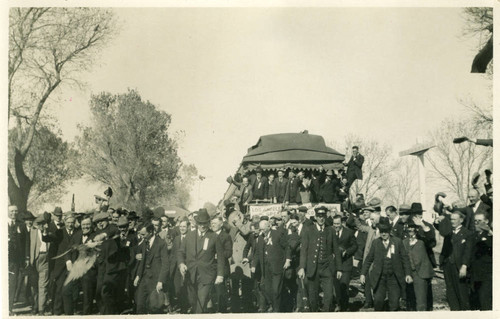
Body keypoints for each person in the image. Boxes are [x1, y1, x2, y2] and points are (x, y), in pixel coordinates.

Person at [177, 208, 225, 314]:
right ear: (196, 223)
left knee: (201, 303)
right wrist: (181, 264)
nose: (202, 226)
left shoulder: (214, 237)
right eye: (200, 223)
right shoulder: (189, 235)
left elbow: (221, 258)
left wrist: (220, 274)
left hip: (207, 275)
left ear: (208, 223)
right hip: (190, 274)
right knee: (193, 302)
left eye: (205, 223)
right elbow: (180, 252)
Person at [360, 218, 412, 311]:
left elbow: (405, 259)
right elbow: (368, 259)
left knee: (394, 303)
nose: (383, 234)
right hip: (380, 278)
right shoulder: (376, 243)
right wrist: (363, 274)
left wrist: (408, 274)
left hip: (394, 278)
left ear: (389, 231)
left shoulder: (397, 242)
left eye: (386, 231)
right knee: (378, 302)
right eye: (381, 231)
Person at [298, 206, 342, 312]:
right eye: (319, 216)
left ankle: (326, 313)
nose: (321, 219)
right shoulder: (308, 230)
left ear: (325, 217)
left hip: (327, 268)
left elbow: (336, 250)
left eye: (323, 216)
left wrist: (339, 268)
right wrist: (302, 267)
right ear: (316, 217)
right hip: (313, 268)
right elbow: (304, 250)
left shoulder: (330, 230)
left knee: (329, 296)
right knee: (313, 298)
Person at [434, 210, 473, 310]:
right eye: (451, 219)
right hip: (448, 266)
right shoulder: (448, 232)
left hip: (459, 267)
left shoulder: (467, 233)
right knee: (451, 293)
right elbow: (440, 228)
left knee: (462, 293)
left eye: (454, 219)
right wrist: (437, 221)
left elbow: (467, 252)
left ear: (461, 220)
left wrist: (464, 266)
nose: (452, 221)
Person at [253, 218, 290, 312]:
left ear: (269, 226)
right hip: (266, 268)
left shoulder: (277, 234)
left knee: (276, 290)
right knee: (266, 288)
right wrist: (253, 265)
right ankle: (274, 305)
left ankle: (276, 310)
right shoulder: (260, 238)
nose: (261, 231)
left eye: (263, 229)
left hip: (277, 267)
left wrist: (287, 260)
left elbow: (287, 247)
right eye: (260, 229)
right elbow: (257, 253)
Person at [134, 222, 169, 314]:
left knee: (154, 307)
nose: (142, 236)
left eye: (143, 234)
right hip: (144, 279)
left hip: (155, 280)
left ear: (151, 232)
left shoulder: (161, 244)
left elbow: (165, 264)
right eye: (140, 234)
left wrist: (160, 281)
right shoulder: (145, 242)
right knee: (140, 305)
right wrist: (138, 276)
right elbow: (143, 261)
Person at [403, 221, 435, 311]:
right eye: (409, 229)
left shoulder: (422, 241)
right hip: (409, 273)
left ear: (417, 230)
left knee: (421, 301)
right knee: (410, 301)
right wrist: (407, 273)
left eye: (413, 229)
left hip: (421, 273)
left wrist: (423, 226)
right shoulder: (404, 242)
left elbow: (431, 241)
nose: (411, 231)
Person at [332, 214, 357, 312]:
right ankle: (338, 304)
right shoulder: (330, 231)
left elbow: (355, 246)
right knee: (336, 286)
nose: (336, 226)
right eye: (334, 224)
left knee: (344, 285)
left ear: (342, 223)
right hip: (334, 264)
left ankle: (345, 307)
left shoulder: (349, 233)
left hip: (345, 264)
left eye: (338, 224)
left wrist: (347, 252)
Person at [470, 212, 492, 310]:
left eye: (479, 221)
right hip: (475, 273)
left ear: (486, 221)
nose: (476, 223)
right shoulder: (473, 235)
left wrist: (490, 232)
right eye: (475, 221)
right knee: (476, 301)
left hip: (486, 273)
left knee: (484, 300)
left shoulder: (490, 234)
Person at [210, 216, 233, 313]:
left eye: (215, 223)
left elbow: (228, 253)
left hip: (222, 267)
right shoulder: (209, 235)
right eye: (212, 223)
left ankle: (222, 311)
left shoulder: (226, 236)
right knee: (210, 291)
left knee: (220, 291)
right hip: (210, 267)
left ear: (221, 224)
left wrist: (218, 255)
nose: (213, 225)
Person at [170, 218, 190, 313]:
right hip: (176, 267)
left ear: (188, 227)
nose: (182, 228)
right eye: (180, 226)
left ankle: (184, 307)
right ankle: (182, 304)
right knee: (177, 288)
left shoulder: (190, 238)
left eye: (184, 226)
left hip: (186, 266)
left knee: (185, 287)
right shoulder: (177, 238)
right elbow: (174, 253)